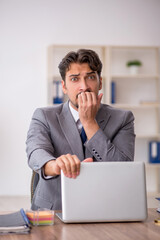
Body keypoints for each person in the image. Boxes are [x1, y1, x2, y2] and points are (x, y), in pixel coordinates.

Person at [26, 49, 135, 210]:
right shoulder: (44, 116)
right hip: (54, 209)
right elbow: (35, 153)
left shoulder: (123, 118)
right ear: (64, 86)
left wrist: (89, 122)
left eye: (90, 77)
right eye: (75, 79)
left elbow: (123, 168)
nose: (84, 87)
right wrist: (56, 165)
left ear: (100, 82)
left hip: (104, 208)